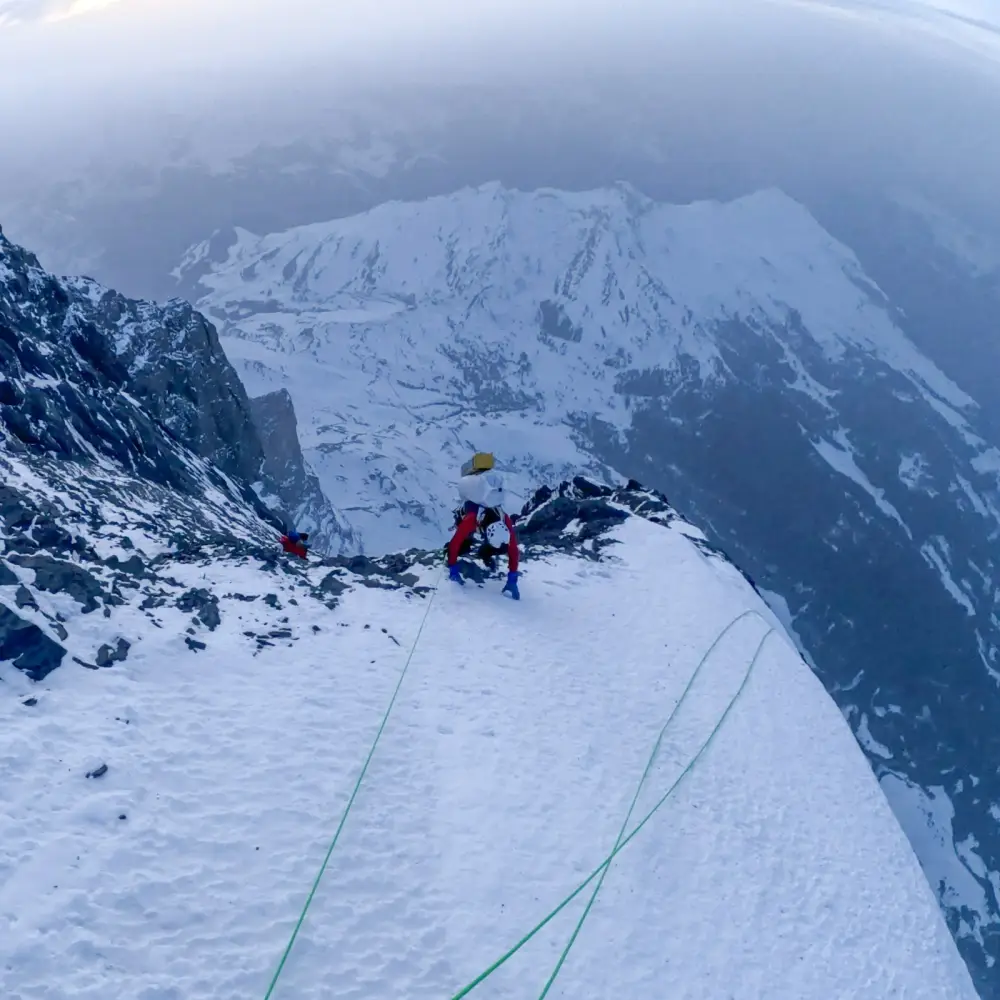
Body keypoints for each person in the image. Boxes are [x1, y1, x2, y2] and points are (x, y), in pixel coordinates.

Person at [446, 454, 520, 599]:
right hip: (472, 515)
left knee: (491, 547)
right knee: (463, 544)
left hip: (480, 519)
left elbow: (512, 550)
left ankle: (484, 554)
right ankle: (478, 554)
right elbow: (454, 544)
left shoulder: (504, 519)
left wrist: (513, 579)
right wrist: (453, 569)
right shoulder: (472, 520)